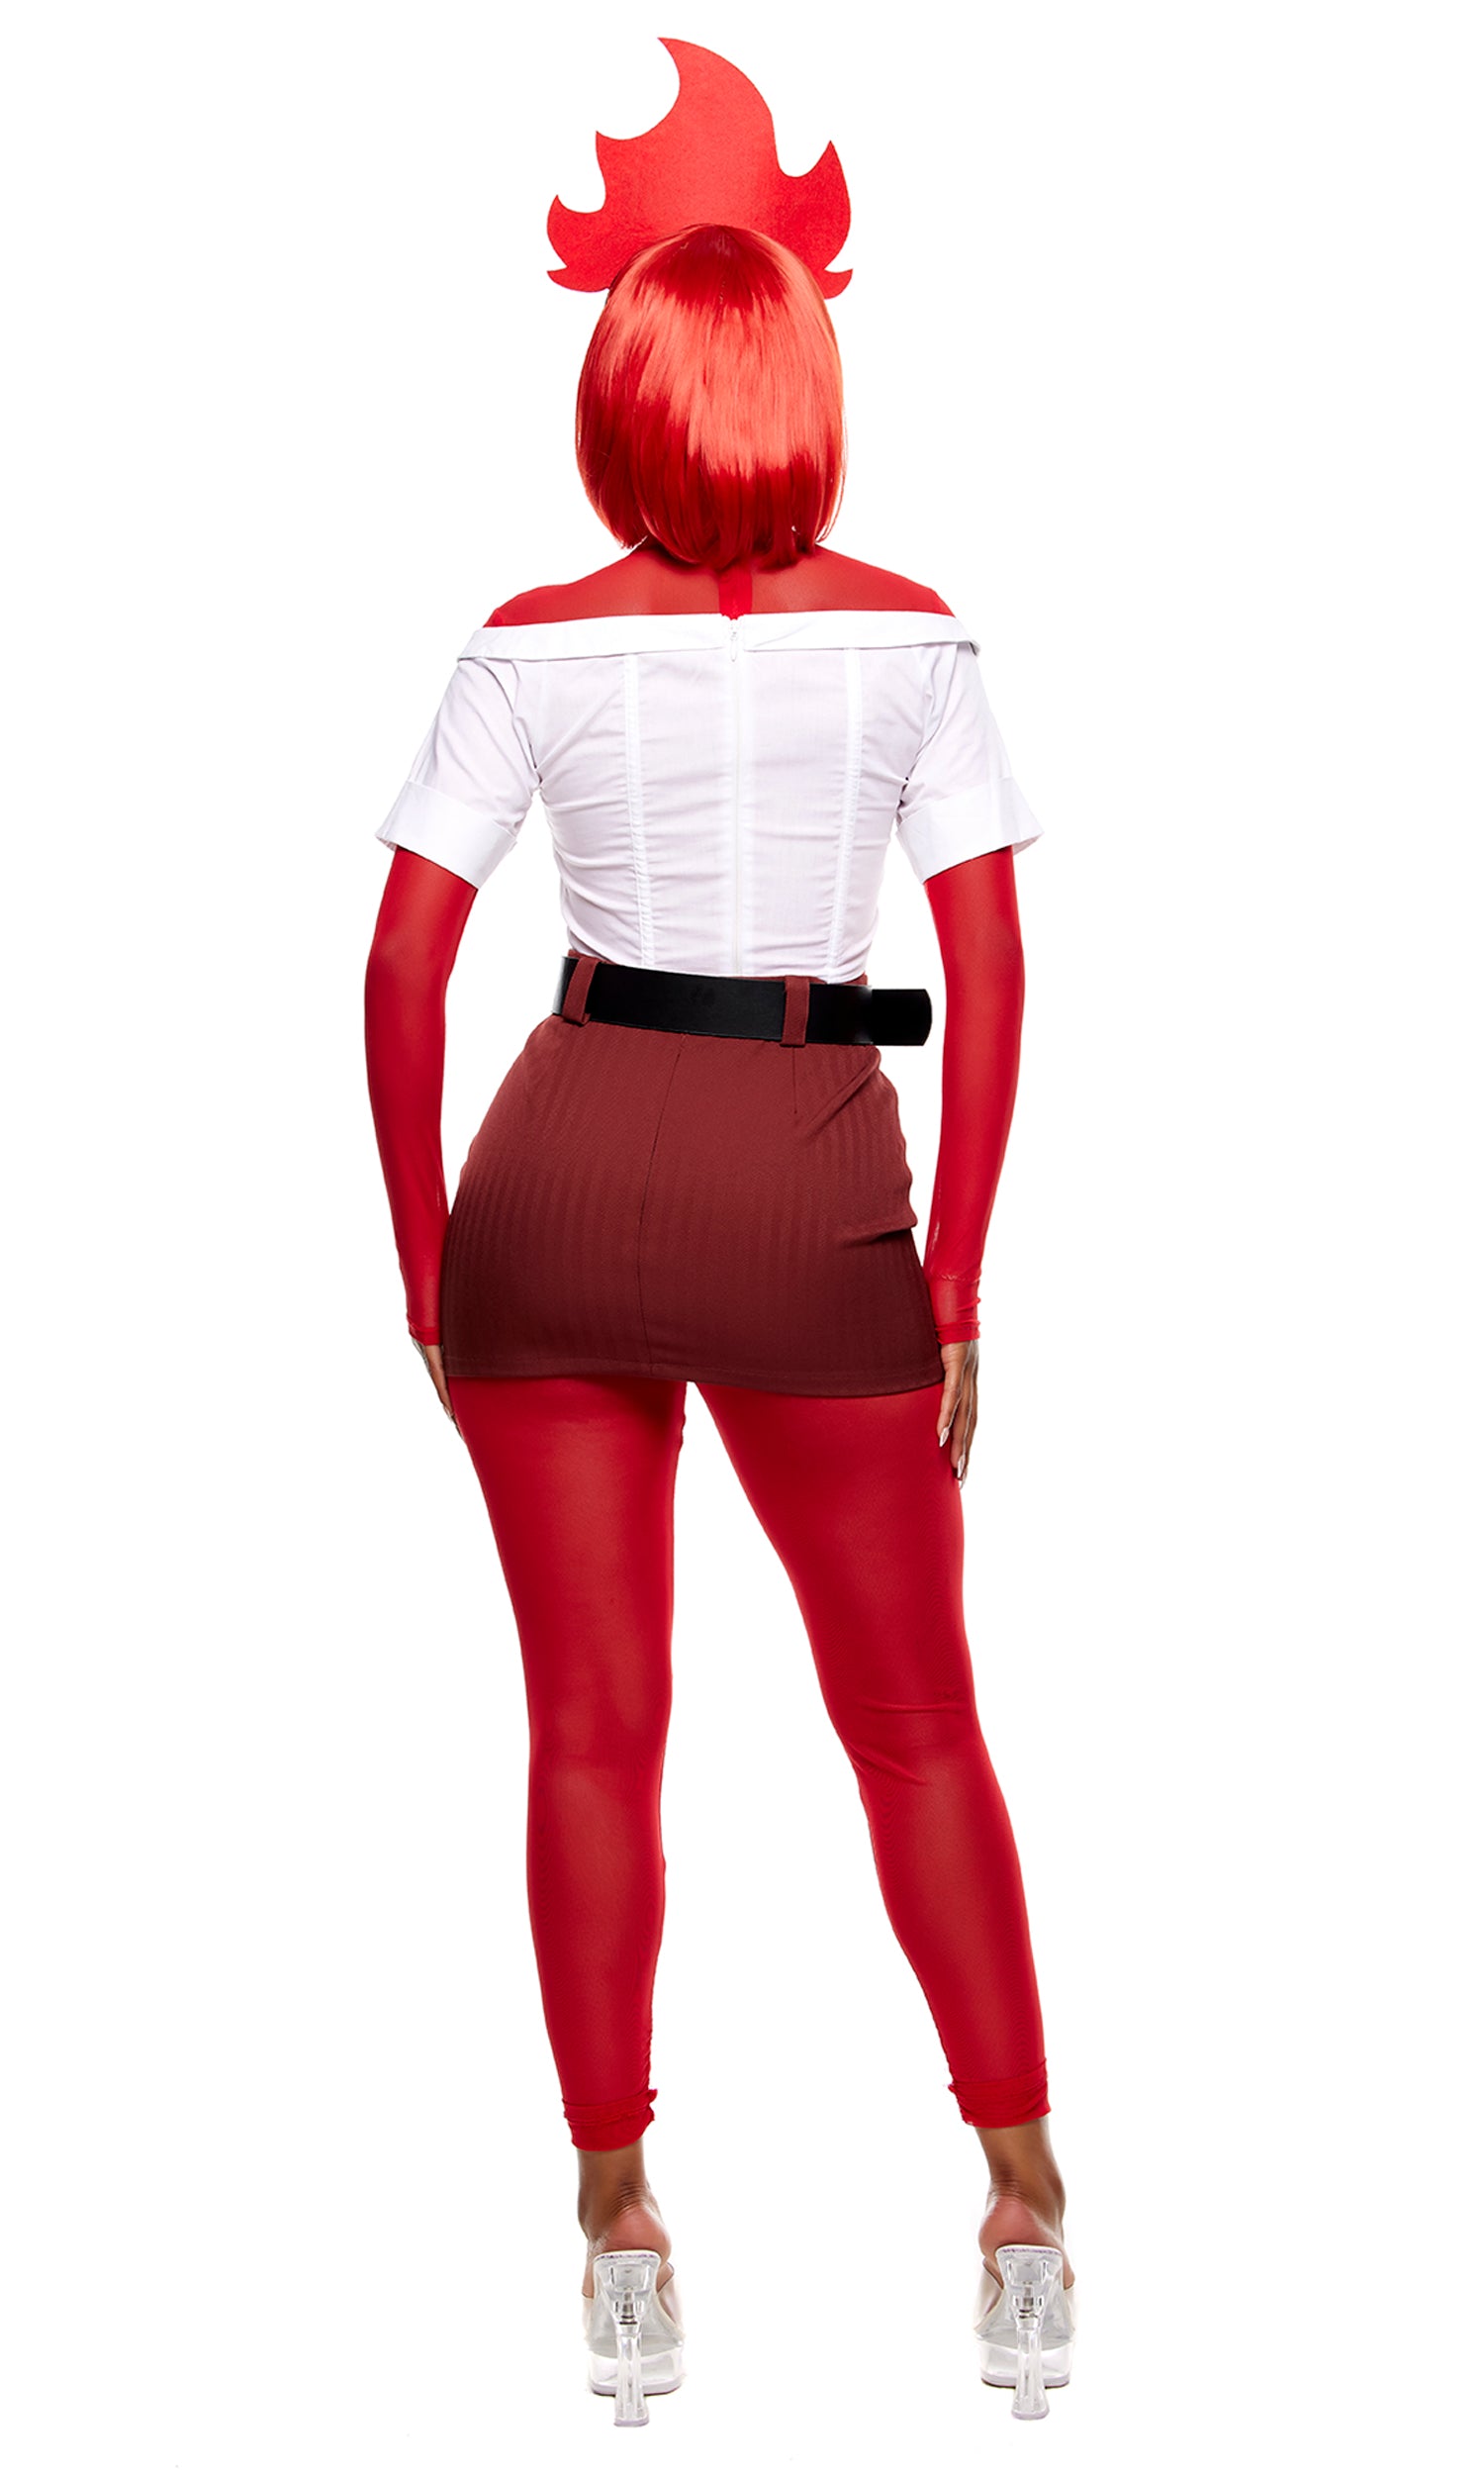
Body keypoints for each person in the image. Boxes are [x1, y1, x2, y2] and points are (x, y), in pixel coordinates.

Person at [363, 40, 1074, 2424]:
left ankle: (617, 2228)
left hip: (552, 1178)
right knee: (914, 1718)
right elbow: (990, 972)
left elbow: (400, 966)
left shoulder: (526, 638)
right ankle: (1023, 2200)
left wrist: (422, 1256)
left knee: (592, 1724)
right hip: (807, 1189)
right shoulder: (918, 638)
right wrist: (955, 1279)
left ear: (624, 390)